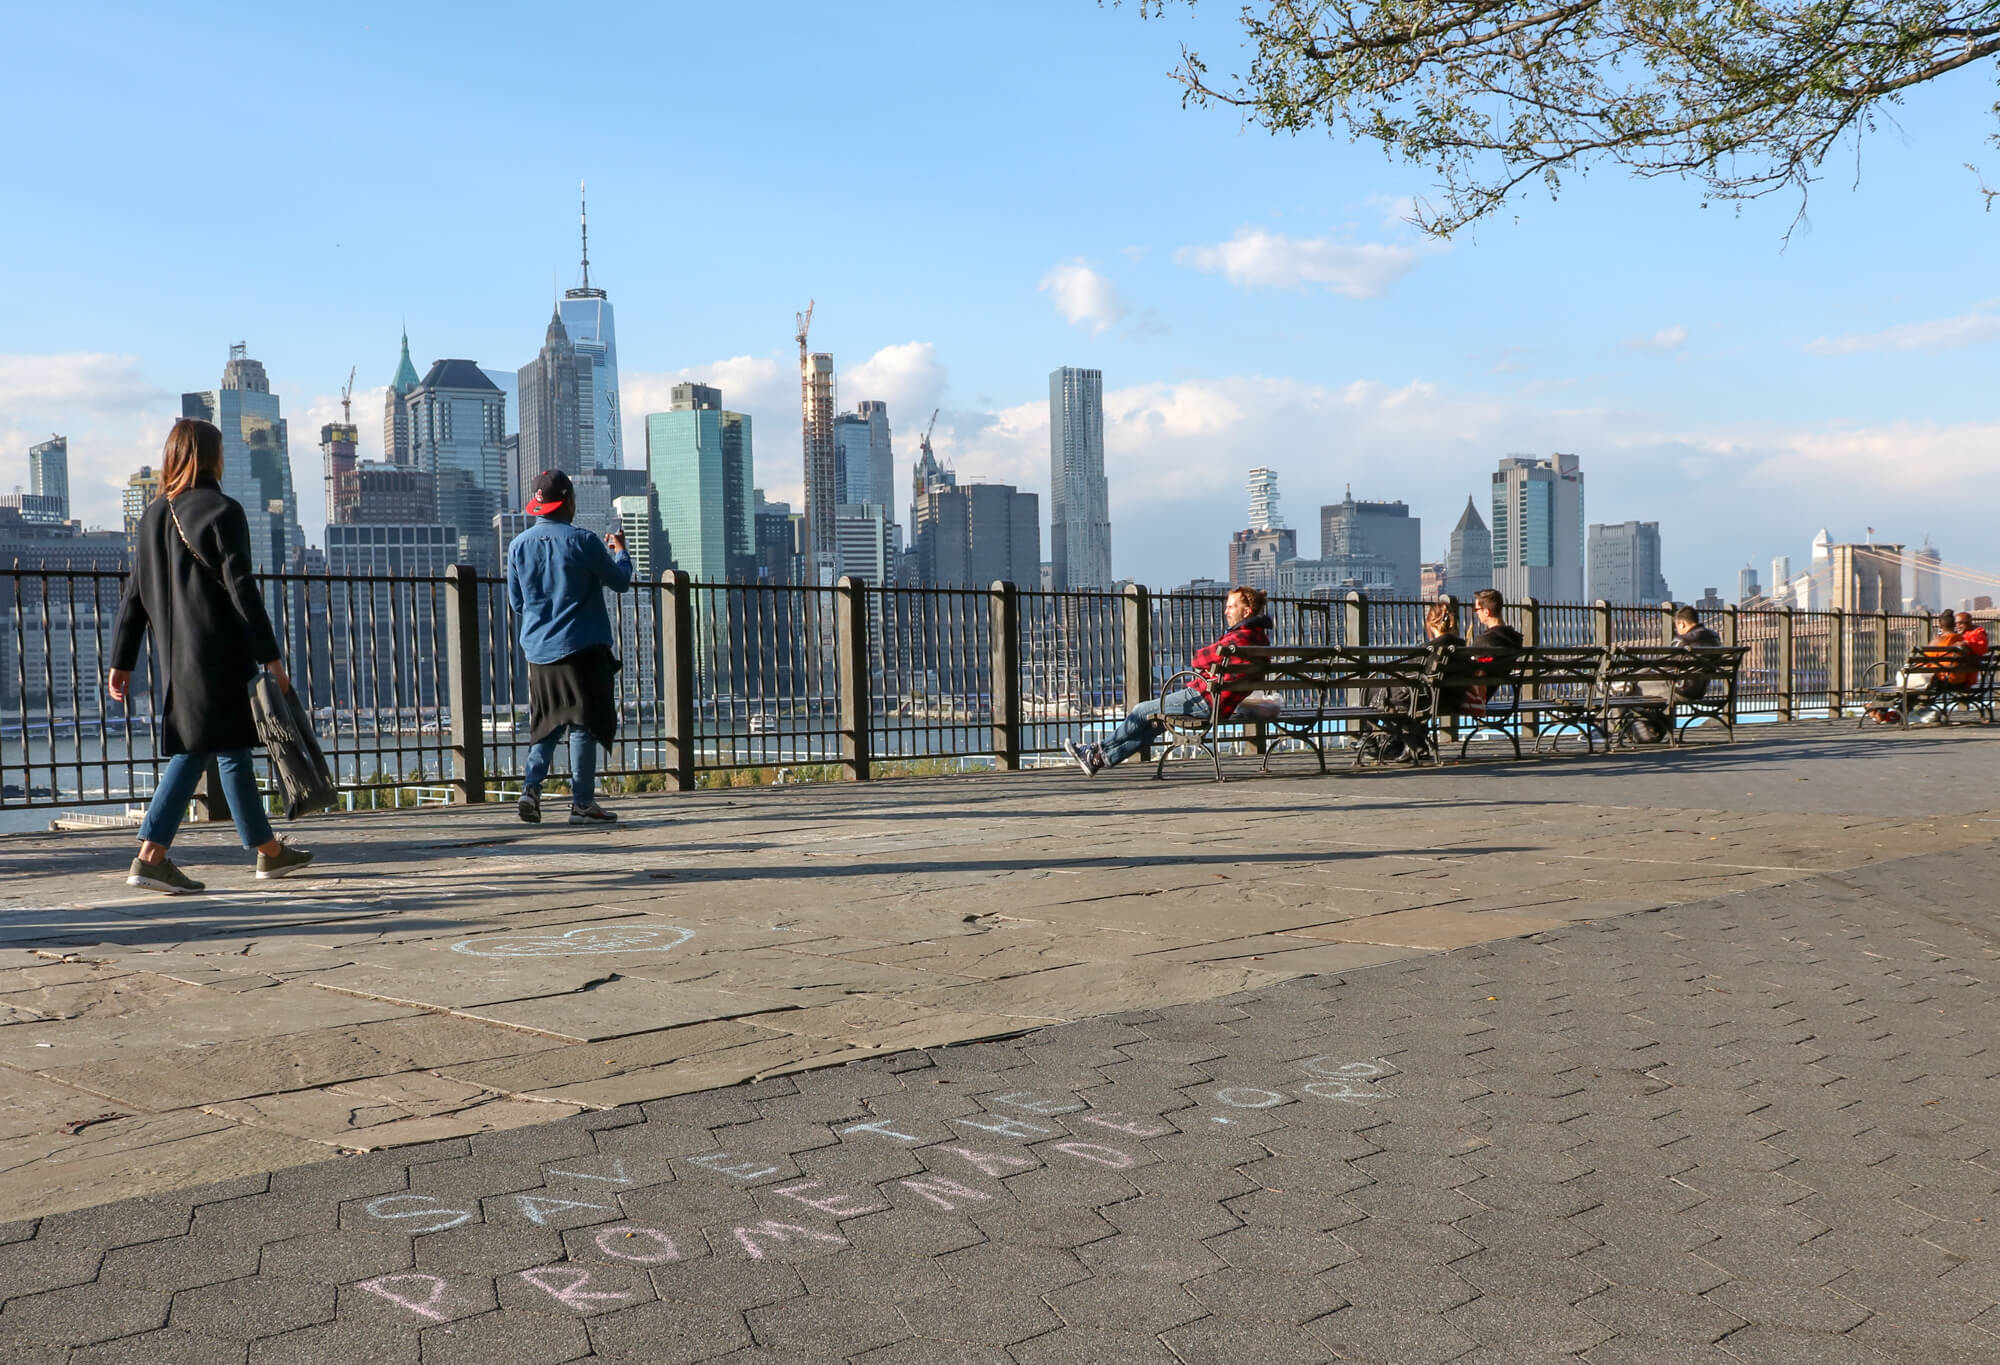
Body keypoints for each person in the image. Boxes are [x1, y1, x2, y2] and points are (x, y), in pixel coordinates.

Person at [107, 418, 314, 894]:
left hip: (177, 654)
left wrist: (123, 660)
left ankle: (269, 853)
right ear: (212, 457)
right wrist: (272, 657)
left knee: (229, 749)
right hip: (221, 651)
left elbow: (135, 595)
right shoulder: (223, 509)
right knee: (196, 749)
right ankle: (150, 856)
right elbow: (242, 590)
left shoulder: (153, 515)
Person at [508, 470, 633, 824]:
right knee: (583, 724)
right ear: (570, 503)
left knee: (546, 724)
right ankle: (581, 803)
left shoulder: (517, 545)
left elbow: (517, 603)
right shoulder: (584, 541)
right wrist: (621, 553)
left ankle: (531, 788)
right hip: (582, 649)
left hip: (539, 651)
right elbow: (620, 582)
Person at [1063, 585, 1272, 774]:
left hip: (1205, 699)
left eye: (1231, 607)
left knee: (1142, 710)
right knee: (1156, 724)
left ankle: (1096, 750)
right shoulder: (1259, 638)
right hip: (1220, 703)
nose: (1226, 611)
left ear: (1246, 611)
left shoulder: (1241, 637)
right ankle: (1098, 759)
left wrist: (1207, 662)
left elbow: (1200, 658)